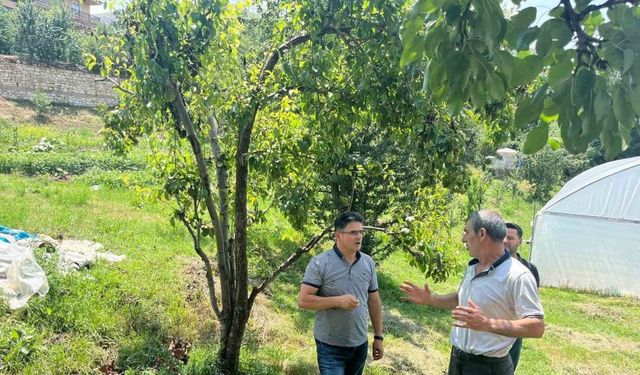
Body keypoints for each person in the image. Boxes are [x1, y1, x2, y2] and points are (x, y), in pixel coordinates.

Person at [400, 210, 544, 375]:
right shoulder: (473, 266)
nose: (463, 238)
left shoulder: (518, 275)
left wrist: (486, 324)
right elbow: (460, 298)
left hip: (489, 368)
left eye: (466, 232)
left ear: (482, 234)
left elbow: (536, 327)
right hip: (458, 360)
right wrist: (430, 299)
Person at [298, 211, 384, 375]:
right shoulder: (320, 263)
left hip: (359, 344)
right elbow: (304, 300)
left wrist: (378, 337)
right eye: (353, 232)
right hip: (330, 346)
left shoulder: (368, 262)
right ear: (338, 235)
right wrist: (338, 301)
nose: (359, 236)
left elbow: (374, 301)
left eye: (361, 232)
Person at [504, 222, 540, 372]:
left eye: (511, 238)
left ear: (520, 241)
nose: (506, 241)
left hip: (515, 328)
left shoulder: (529, 269)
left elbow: (532, 301)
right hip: (492, 326)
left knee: (509, 367)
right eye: (503, 236)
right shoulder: (489, 264)